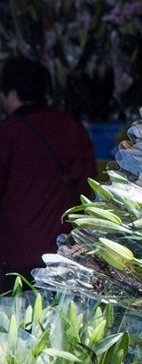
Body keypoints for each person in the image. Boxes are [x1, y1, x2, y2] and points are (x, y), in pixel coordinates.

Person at [0, 57, 96, 291]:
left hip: (16, 254)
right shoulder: (72, 126)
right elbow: (89, 183)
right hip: (66, 251)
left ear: (11, 92)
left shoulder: (7, 133)